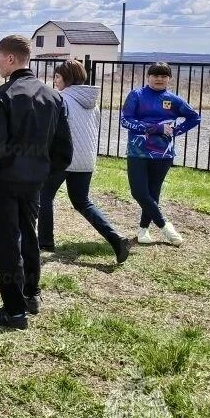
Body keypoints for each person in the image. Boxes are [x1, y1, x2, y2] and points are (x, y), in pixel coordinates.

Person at [0, 35, 72, 330]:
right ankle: (31, 294)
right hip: (33, 182)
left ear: (11, 58)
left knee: (5, 244)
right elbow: (63, 148)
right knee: (29, 237)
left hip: (1, 183)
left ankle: (14, 311)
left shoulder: (1, 96)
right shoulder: (53, 96)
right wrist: (43, 173)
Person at [39, 59, 134, 264]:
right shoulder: (92, 103)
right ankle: (116, 239)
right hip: (86, 160)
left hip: (63, 158)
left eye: (57, 76)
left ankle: (45, 242)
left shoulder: (60, 99)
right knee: (82, 202)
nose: (55, 81)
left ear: (66, 78)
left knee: (44, 196)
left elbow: (52, 130)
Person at [120, 62, 201, 245]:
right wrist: (156, 128)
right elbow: (125, 120)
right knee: (139, 192)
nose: (159, 79)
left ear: (169, 79)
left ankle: (143, 231)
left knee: (153, 192)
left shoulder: (173, 99)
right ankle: (165, 226)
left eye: (164, 76)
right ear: (148, 77)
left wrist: (176, 131)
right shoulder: (136, 95)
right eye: (155, 75)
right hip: (138, 152)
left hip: (163, 155)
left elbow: (194, 117)